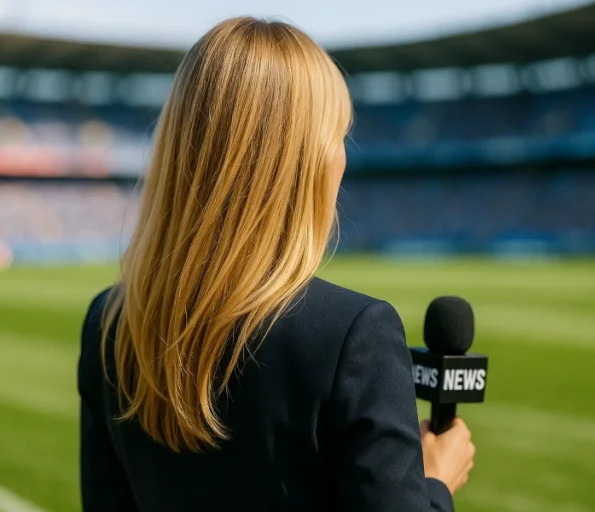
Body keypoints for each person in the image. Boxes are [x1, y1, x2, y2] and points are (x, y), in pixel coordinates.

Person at [78, 17, 475, 512]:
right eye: (338, 136)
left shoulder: (109, 324)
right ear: (303, 162)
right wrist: (434, 483)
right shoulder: (354, 336)